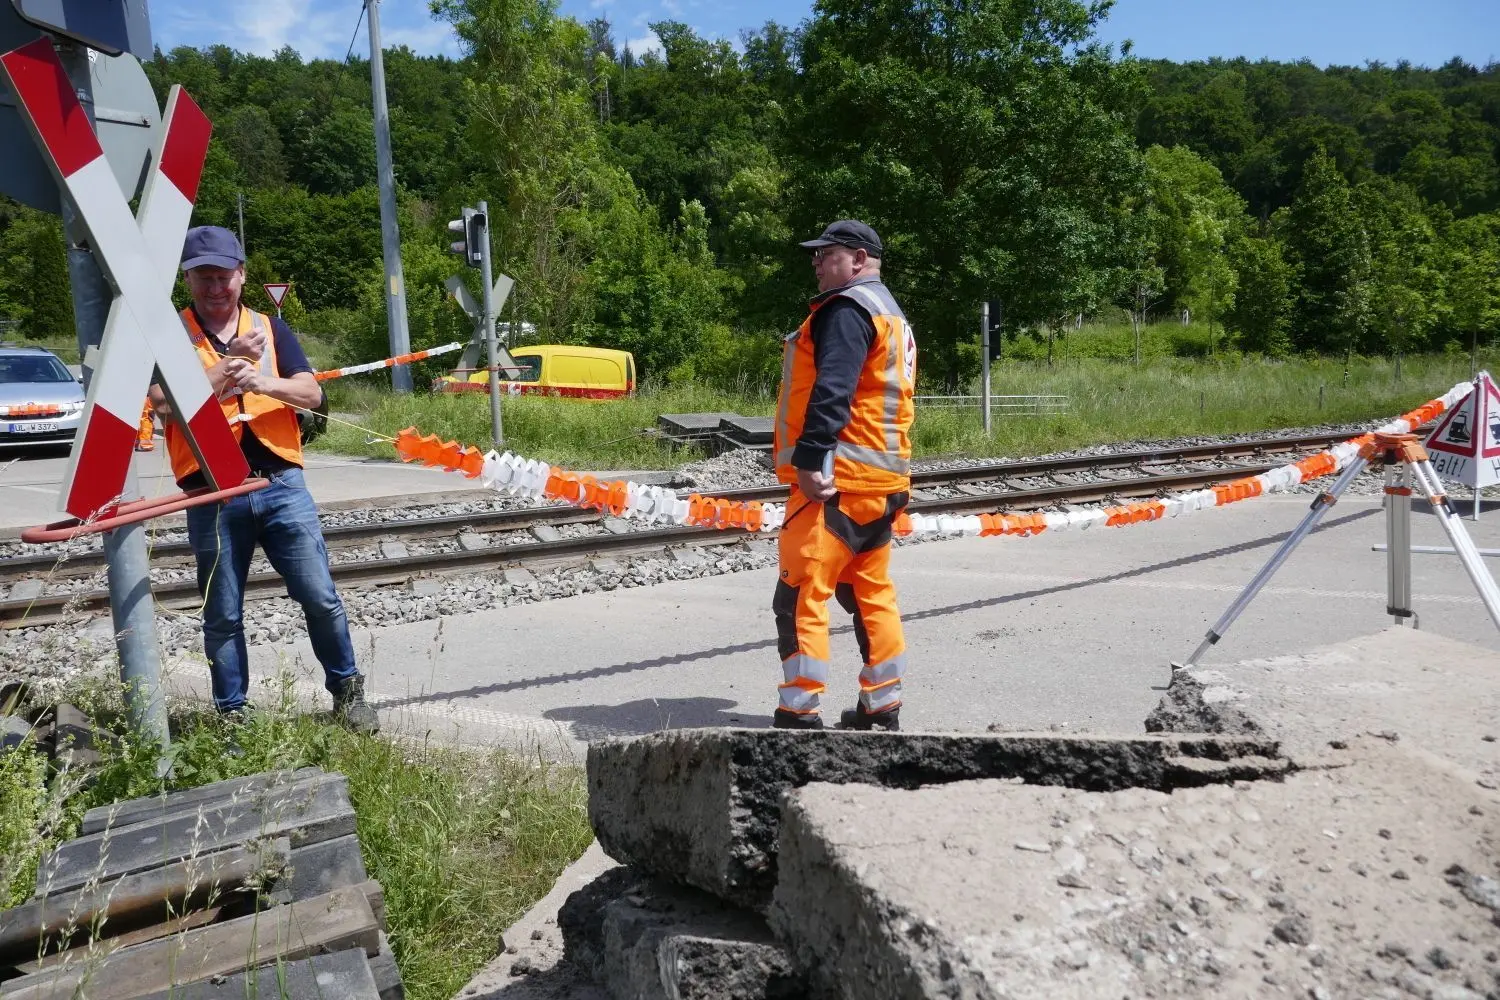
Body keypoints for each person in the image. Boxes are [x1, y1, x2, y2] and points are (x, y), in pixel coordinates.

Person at [149, 226, 378, 732]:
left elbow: (312, 395)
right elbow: (162, 403)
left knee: (319, 595)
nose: (214, 287)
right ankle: (233, 715)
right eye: (203, 277)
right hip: (211, 490)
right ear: (187, 279)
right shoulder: (169, 334)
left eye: (223, 276)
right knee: (223, 613)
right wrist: (229, 370)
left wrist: (261, 380)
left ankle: (348, 693)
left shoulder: (271, 329)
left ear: (242, 275)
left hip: (280, 484)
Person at [771, 220, 917, 732]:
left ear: (857, 259)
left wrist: (810, 461)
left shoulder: (847, 310)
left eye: (824, 254)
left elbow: (833, 389)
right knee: (870, 593)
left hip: (837, 485)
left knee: (800, 594)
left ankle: (799, 712)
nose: (814, 262)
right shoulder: (891, 315)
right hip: (881, 486)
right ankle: (881, 706)